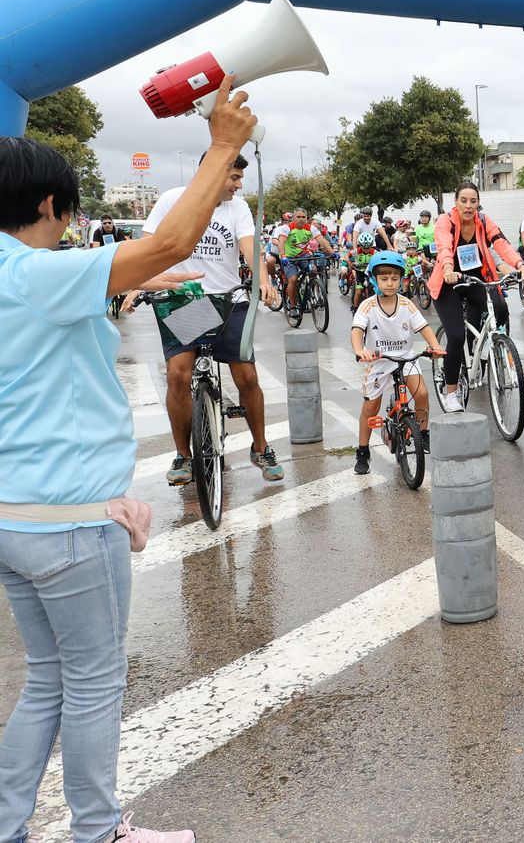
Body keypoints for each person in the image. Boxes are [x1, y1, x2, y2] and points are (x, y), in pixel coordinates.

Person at [0, 75, 256, 843]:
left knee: (46, 679)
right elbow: (173, 241)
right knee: (92, 683)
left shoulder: (21, 276)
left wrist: (133, 289)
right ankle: (100, 830)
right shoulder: (41, 273)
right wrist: (222, 146)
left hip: (16, 515)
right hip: (73, 521)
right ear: (53, 206)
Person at [146, 152, 283, 486]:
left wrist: (263, 280)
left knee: (247, 375)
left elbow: (249, 248)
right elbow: (147, 247)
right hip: (186, 299)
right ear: (211, 172)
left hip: (227, 299)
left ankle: (261, 447)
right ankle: (184, 456)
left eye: (240, 179)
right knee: (179, 374)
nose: (238, 186)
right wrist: (138, 283)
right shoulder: (172, 201)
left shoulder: (237, 208)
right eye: (234, 178)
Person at [426, 182, 524, 413]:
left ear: (478, 202)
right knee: (455, 336)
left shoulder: (483, 221)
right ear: (456, 202)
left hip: (478, 279)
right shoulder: (445, 221)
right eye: (463, 200)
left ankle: (490, 348)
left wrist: (520, 264)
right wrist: (446, 269)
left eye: (473, 201)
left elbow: (501, 243)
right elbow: (444, 247)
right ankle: (451, 391)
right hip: (449, 282)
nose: (468, 205)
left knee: (500, 307)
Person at [351, 251, 444, 475]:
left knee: (421, 394)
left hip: (406, 356)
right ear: (374, 279)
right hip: (378, 360)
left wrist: (435, 346)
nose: (390, 283)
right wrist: (359, 350)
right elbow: (357, 330)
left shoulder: (407, 305)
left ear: (401, 279)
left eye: (394, 278)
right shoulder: (367, 306)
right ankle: (363, 450)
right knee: (371, 406)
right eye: (384, 278)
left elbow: (423, 328)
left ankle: (422, 433)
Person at [273, 207, 329, 319]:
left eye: (304, 217)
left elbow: (322, 240)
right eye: (298, 217)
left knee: (313, 271)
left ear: (307, 218)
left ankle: (312, 295)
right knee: (293, 279)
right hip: (288, 257)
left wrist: (332, 252)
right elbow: (281, 242)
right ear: (294, 218)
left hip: (303, 256)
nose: (301, 219)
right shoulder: (286, 228)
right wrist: (283, 256)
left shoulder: (311, 228)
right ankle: (293, 308)